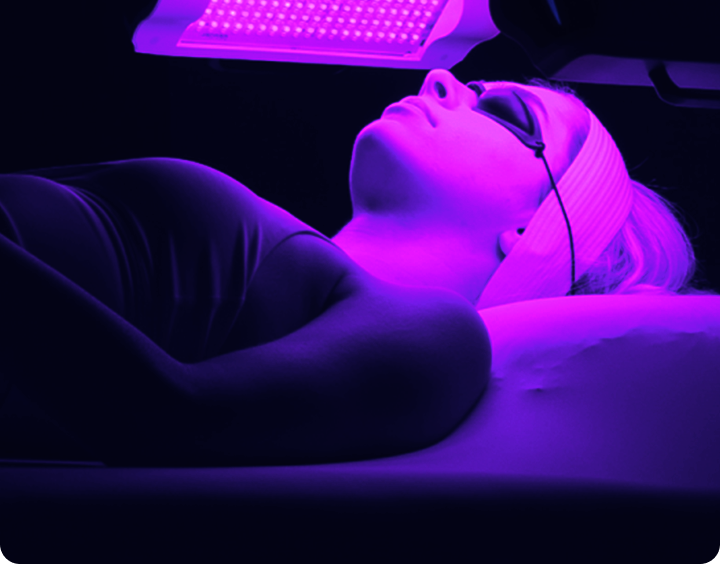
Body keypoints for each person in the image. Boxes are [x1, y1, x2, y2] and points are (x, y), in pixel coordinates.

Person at [0, 70, 701, 466]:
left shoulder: (442, 337)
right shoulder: (298, 256)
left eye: (502, 110)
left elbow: (164, 416)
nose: (441, 79)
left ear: (534, 229)